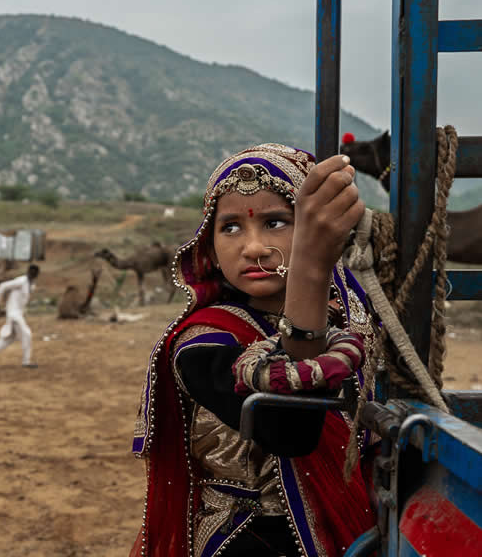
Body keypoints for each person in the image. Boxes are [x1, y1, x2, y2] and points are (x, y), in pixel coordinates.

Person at [130, 144, 377, 557]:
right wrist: (310, 270)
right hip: (246, 542)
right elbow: (290, 431)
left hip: (356, 530)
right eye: (230, 228)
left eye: (276, 222)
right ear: (207, 244)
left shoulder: (352, 320)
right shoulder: (202, 344)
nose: (254, 247)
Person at [0, 263, 39, 368]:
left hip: (16, 313)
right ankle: (26, 362)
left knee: (9, 338)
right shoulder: (21, 281)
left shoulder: (31, 285)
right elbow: (3, 286)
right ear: (28, 272)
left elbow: (16, 299)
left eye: (35, 273)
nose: (33, 274)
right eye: (31, 272)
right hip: (14, 315)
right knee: (27, 334)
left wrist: (6, 309)